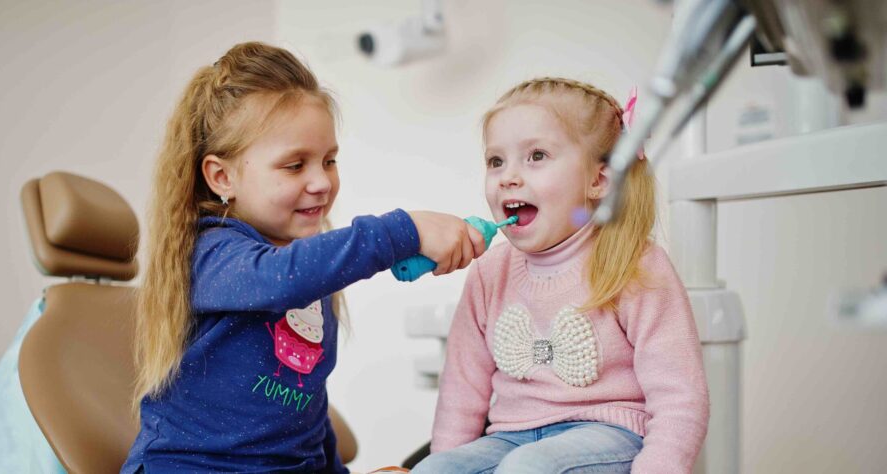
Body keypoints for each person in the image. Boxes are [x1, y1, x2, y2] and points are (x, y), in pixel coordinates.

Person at [122, 42, 484, 473]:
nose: (321, 182)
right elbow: (279, 279)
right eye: (295, 166)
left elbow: (305, 415)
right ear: (222, 176)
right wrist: (404, 230)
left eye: (329, 160)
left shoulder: (307, 271)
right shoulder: (211, 254)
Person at [413, 78, 709, 474]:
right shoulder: (489, 272)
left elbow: (680, 398)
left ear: (598, 180)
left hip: (610, 435)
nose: (508, 177)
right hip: (509, 437)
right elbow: (460, 394)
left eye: (536, 156)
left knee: (528, 467)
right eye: (495, 161)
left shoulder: (633, 264)